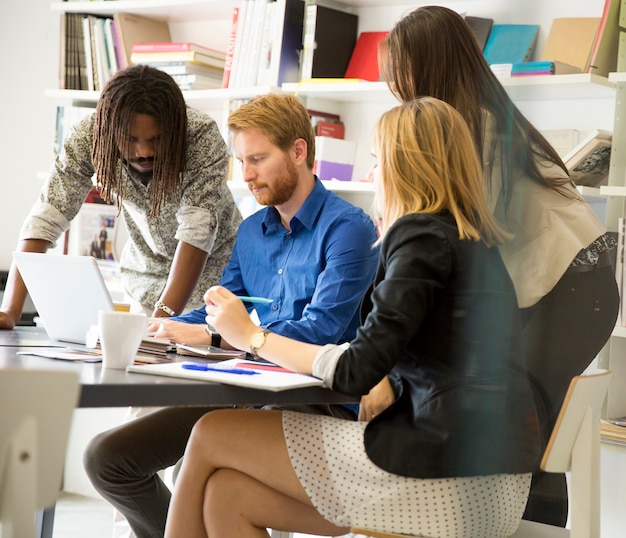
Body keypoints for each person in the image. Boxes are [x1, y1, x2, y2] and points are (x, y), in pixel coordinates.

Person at [163, 97, 542, 538]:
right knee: (227, 494)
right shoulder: (466, 239)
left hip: (448, 475)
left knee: (211, 432)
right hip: (492, 475)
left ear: (407, 165)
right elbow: (408, 346)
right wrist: (379, 372)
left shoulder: (418, 235)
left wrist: (253, 337)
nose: (372, 175)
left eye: (379, 160)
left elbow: (356, 370)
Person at [83, 93, 379, 538]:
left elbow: (322, 332)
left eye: (258, 159)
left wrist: (226, 337)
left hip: (314, 402)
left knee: (207, 477)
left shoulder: (349, 228)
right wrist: (167, 327)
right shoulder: (251, 232)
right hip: (243, 387)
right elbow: (221, 308)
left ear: (299, 152)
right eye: (241, 161)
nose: (248, 175)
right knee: (107, 458)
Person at [380, 5, 620, 526]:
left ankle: (508, 527)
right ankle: (518, 527)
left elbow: (455, 243)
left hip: (573, 287)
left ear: (429, 62)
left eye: (401, 65)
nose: (394, 80)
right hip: (573, 283)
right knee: (525, 413)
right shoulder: (478, 117)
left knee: (520, 415)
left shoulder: (475, 128)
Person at [0, 65, 241, 325]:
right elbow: (47, 216)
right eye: (130, 139)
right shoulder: (88, 137)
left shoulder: (200, 135)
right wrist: (11, 311)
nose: (143, 151)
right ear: (110, 132)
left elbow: (198, 230)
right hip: (144, 283)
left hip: (215, 287)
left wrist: (158, 326)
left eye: (157, 139)